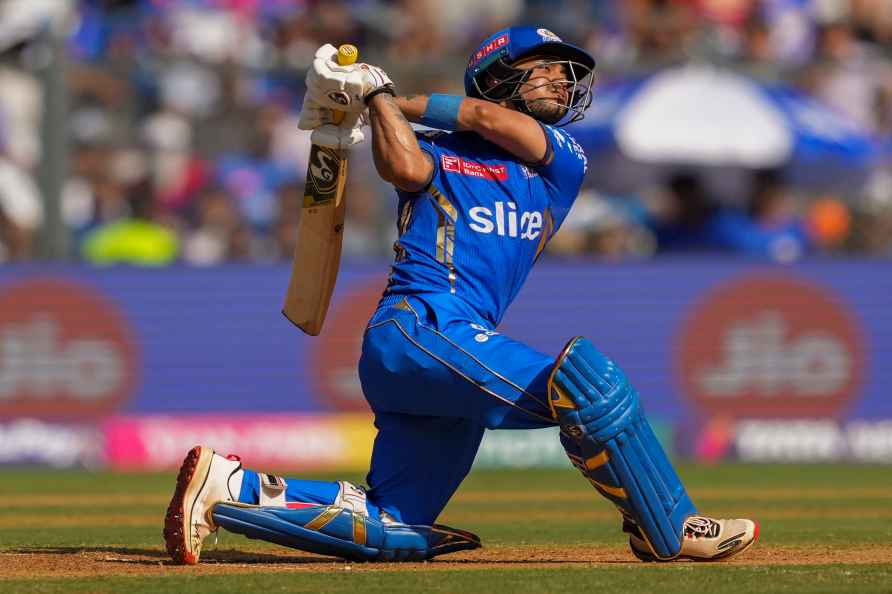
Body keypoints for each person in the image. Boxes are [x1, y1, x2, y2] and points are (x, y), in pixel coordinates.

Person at [164, 26, 759, 565]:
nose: (560, 78)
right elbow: (400, 166)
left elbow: (485, 119)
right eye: (542, 65)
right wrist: (368, 104)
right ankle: (671, 522)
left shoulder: (561, 161)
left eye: (563, 68)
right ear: (498, 75)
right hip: (421, 327)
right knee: (589, 385)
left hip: (438, 354)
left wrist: (382, 95)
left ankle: (225, 489)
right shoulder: (439, 153)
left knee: (394, 525)